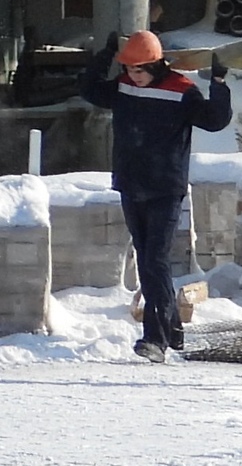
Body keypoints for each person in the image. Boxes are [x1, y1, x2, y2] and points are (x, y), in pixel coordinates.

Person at [80, 30, 231, 362]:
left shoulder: (181, 90)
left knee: (155, 261)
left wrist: (218, 83)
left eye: (139, 69)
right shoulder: (123, 86)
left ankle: (155, 339)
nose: (133, 75)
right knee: (147, 258)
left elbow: (216, 120)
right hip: (131, 184)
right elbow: (89, 89)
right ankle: (174, 332)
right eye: (129, 68)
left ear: (156, 65)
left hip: (165, 187)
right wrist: (103, 55)